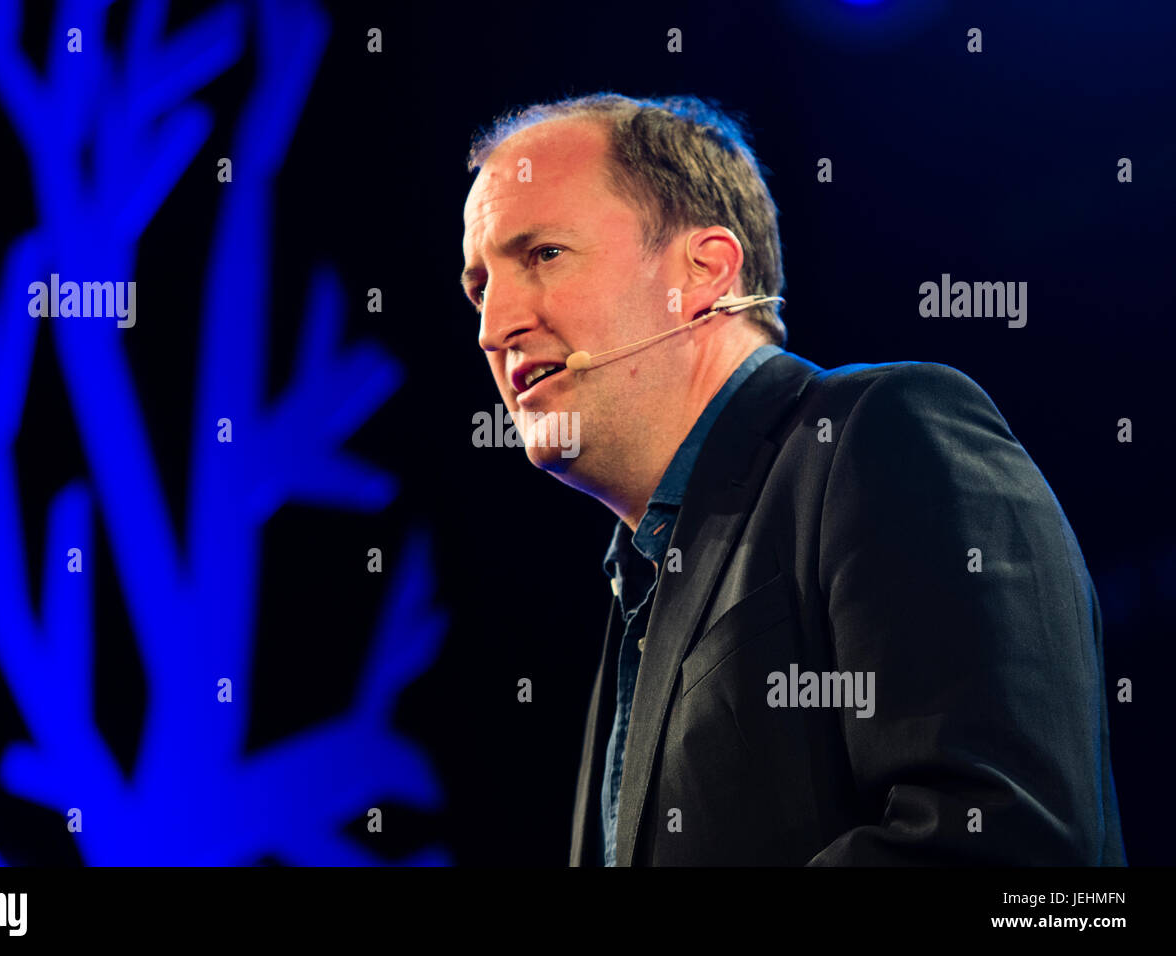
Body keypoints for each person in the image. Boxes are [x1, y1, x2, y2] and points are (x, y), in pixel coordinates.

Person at [459, 93, 1126, 866]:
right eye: (478, 287)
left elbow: (1009, 844)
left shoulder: (884, 433)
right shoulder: (638, 584)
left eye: (542, 254)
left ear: (705, 270)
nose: (491, 324)